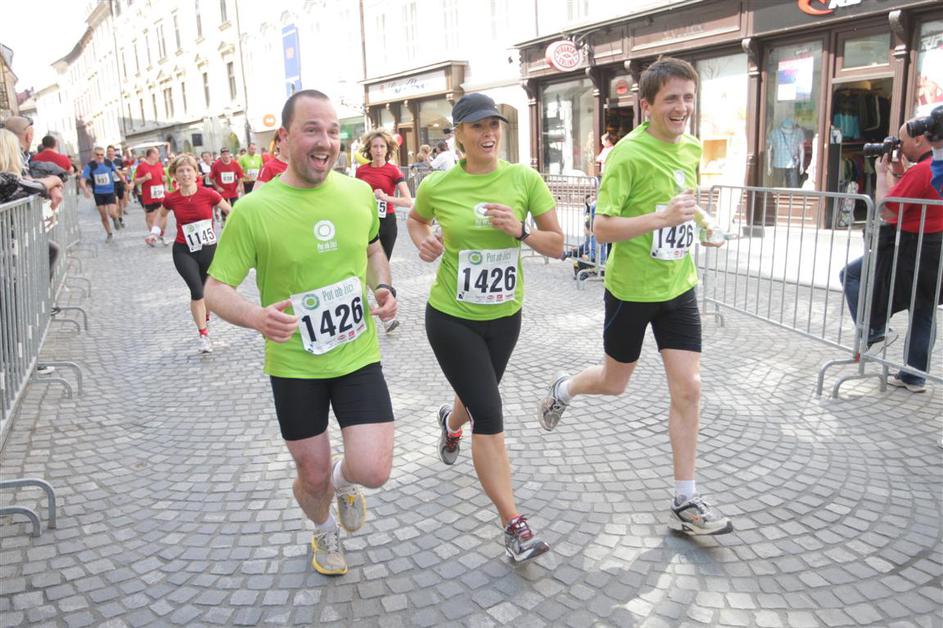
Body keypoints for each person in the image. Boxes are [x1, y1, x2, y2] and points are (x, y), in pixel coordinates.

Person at [536, 58, 733, 537]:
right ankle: (565, 389)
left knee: (689, 388)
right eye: (671, 99)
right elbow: (601, 228)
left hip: (678, 286)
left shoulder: (690, 147)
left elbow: (682, 200)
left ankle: (686, 499)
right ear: (647, 105)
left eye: (688, 97)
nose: (682, 107)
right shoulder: (626, 155)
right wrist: (660, 220)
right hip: (631, 290)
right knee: (614, 382)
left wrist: (702, 225)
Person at [204, 89, 398, 576]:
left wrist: (383, 287)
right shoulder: (254, 209)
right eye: (312, 130)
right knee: (312, 477)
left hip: (356, 354)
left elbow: (373, 250)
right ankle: (323, 529)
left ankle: (343, 483)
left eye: (333, 131)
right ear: (284, 138)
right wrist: (256, 317)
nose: (325, 141)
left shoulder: (357, 193)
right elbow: (215, 289)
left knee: (373, 469)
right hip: (294, 365)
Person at [407, 93, 564, 563]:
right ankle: (514, 525)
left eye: (493, 124)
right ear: (458, 133)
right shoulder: (438, 184)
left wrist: (521, 231)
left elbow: (557, 245)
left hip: (504, 318)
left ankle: (449, 423)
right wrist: (424, 241)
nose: (488, 133)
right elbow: (416, 220)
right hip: (451, 317)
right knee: (490, 413)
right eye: (476, 126)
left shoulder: (524, 179)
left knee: (476, 397)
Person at [841, 120, 942, 393]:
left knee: (851, 274)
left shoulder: (922, 170)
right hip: (935, 249)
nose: (899, 146)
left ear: (919, 140)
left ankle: (873, 329)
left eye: (902, 140)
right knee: (923, 310)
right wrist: (898, 174)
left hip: (908, 249)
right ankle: (914, 376)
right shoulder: (933, 168)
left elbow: (886, 209)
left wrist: (881, 174)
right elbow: (906, 199)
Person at [145, 154, 232, 353]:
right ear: (175, 175)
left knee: (208, 292)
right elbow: (161, 215)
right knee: (197, 291)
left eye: (189, 170)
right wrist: (154, 232)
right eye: (181, 171)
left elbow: (231, 212)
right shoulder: (171, 198)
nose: (185, 174)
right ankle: (203, 335)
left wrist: (237, 232)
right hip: (184, 251)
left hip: (208, 249)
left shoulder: (209, 194)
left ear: (196, 173)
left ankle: (205, 317)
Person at [355, 129, 412, 334]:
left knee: (381, 269)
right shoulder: (361, 171)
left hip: (386, 223)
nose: (378, 150)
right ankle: (370, 313)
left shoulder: (393, 171)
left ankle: (388, 316)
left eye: (382, 147)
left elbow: (408, 200)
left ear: (388, 150)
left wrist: (386, 198)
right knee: (361, 267)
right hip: (364, 222)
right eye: (375, 146)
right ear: (369, 149)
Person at [80, 146, 122, 241]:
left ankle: (115, 218)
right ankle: (109, 233)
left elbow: (118, 172)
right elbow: (82, 180)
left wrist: (125, 182)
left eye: (101, 155)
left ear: (104, 155)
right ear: (94, 155)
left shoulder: (108, 163)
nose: (99, 156)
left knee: (112, 212)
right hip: (98, 193)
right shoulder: (90, 166)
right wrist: (85, 190)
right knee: (103, 215)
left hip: (110, 191)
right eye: (97, 155)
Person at [135, 148, 169, 246]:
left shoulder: (159, 165)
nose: (159, 155)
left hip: (160, 196)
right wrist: (144, 178)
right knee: (151, 218)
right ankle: (153, 237)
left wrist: (165, 183)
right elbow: (136, 181)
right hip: (148, 197)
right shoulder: (141, 166)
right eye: (157, 153)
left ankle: (161, 235)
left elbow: (165, 179)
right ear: (151, 154)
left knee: (163, 217)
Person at [210, 147, 244, 215]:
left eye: (227, 154)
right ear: (221, 155)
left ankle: (234, 219)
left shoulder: (235, 164)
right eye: (224, 154)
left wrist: (239, 186)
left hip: (233, 190)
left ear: (229, 154)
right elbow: (212, 178)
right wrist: (217, 187)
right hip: (223, 191)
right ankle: (224, 220)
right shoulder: (216, 164)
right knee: (224, 209)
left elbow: (240, 176)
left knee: (235, 207)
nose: (226, 156)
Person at [106, 145, 129, 224]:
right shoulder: (105, 162)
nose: (110, 153)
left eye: (111, 151)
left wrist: (117, 172)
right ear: (107, 152)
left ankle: (120, 217)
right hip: (111, 184)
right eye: (108, 151)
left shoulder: (119, 161)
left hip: (120, 182)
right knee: (115, 201)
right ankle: (116, 217)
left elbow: (125, 172)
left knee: (120, 202)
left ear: (114, 152)